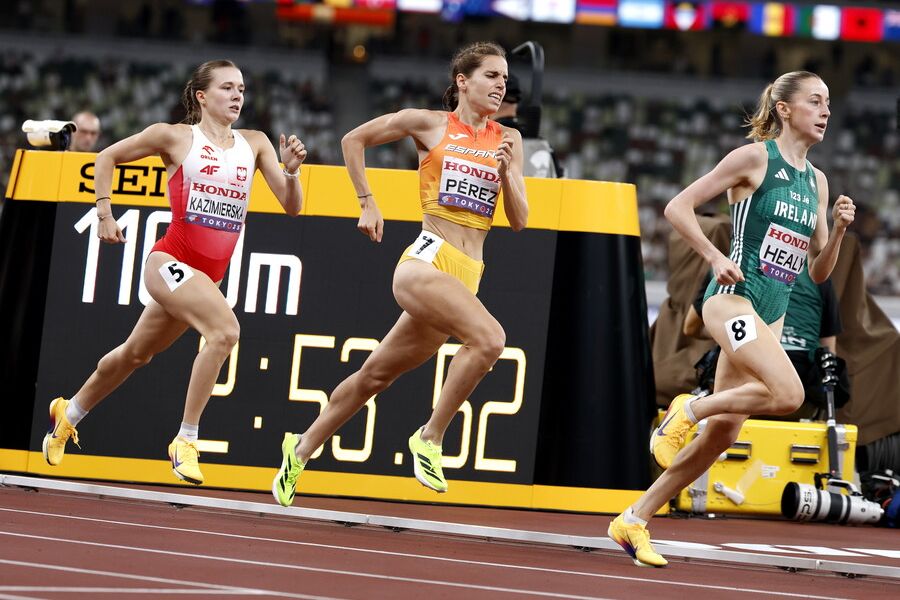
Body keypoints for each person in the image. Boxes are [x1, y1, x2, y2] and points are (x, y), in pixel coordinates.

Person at [608, 71, 855, 567]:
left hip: (772, 315)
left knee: (723, 433)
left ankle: (633, 518)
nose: (826, 111)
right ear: (784, 108)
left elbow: (817, 271)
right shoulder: (754, 158)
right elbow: (678, 207)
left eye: (828, 102)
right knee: (789, 394)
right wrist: (714, 256)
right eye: (815, 101)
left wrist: (838, 231)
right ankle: (688, 409)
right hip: (731, 301)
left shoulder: (817, 181)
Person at [272, 41, 528, 507]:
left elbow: (520, 220)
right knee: (491, 340)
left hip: (467, 274)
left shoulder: (509, 139)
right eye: (492, 75)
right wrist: (367, 202)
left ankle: (301, 448)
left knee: (374, 376)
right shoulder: (428, 123)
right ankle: (430, 437)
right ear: (463, 81)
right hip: (425, 263)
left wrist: (509, 175)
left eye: (505, 79)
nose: (500, 85)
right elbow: (353, 140)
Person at [42, 59, 307, 485]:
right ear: (202, 96)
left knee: (135, 354)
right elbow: (107, 157)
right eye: (227, 88)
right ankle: (186, 439)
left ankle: (67, 413)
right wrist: (105, 214)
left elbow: (292, 206)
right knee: (225, 332)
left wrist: (291, 170)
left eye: (241, 89)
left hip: (206, 277)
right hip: (169, 263)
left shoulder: (255, 143)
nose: (237, 96)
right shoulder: (174, 136)